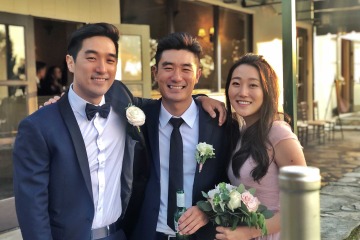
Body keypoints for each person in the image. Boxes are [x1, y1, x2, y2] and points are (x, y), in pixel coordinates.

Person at [13, 23, 151, 240]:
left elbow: (166, 107)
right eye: (91, 58)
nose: (102, 68)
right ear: (70, 62)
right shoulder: (39, 126)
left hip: (119, 235)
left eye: (110, 60)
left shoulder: (122, 99)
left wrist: (201, 100)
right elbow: (32, 208)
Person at [130, 32, 229, 240]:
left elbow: (232, 180)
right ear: (155, 72)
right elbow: (108, 95)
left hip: (203, 235)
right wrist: (63, 100)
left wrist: (208, 208)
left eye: (186, 69)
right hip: (148, 233)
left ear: (198, 75)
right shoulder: (140, 116)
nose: (176, 77)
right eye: (168, 68)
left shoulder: (219, 124)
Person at [215, 53, 307, 240]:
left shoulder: (279, 135)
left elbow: (302, 202)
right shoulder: (240, 132)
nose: (242, 92)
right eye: (236, 83)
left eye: (253, 85)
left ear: (268, 90)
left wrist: (248, 232)